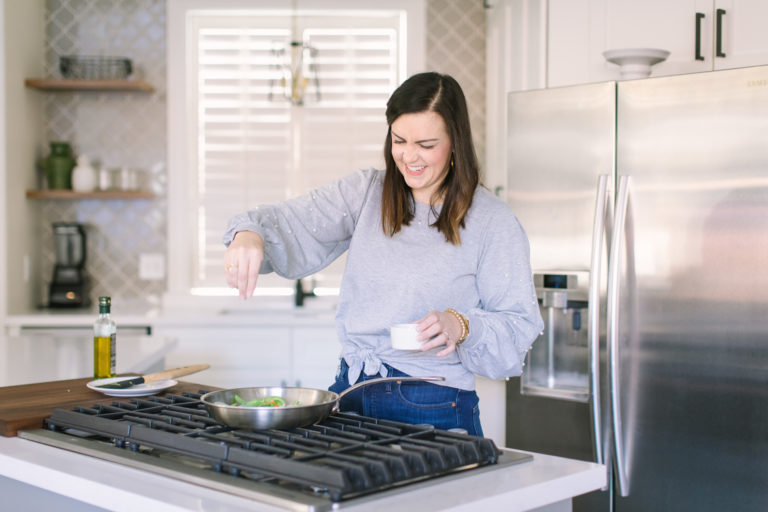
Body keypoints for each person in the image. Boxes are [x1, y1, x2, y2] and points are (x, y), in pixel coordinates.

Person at [222, 72, 544, 436]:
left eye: (425, 144)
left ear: (455, 142)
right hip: (352, 392)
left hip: (434, 404)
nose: (409, 156)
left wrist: (461, 325)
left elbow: (519, 324)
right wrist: (249, 234)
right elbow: (285, 220)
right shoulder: (366, 193)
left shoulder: (491, 220)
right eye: (399, 140)